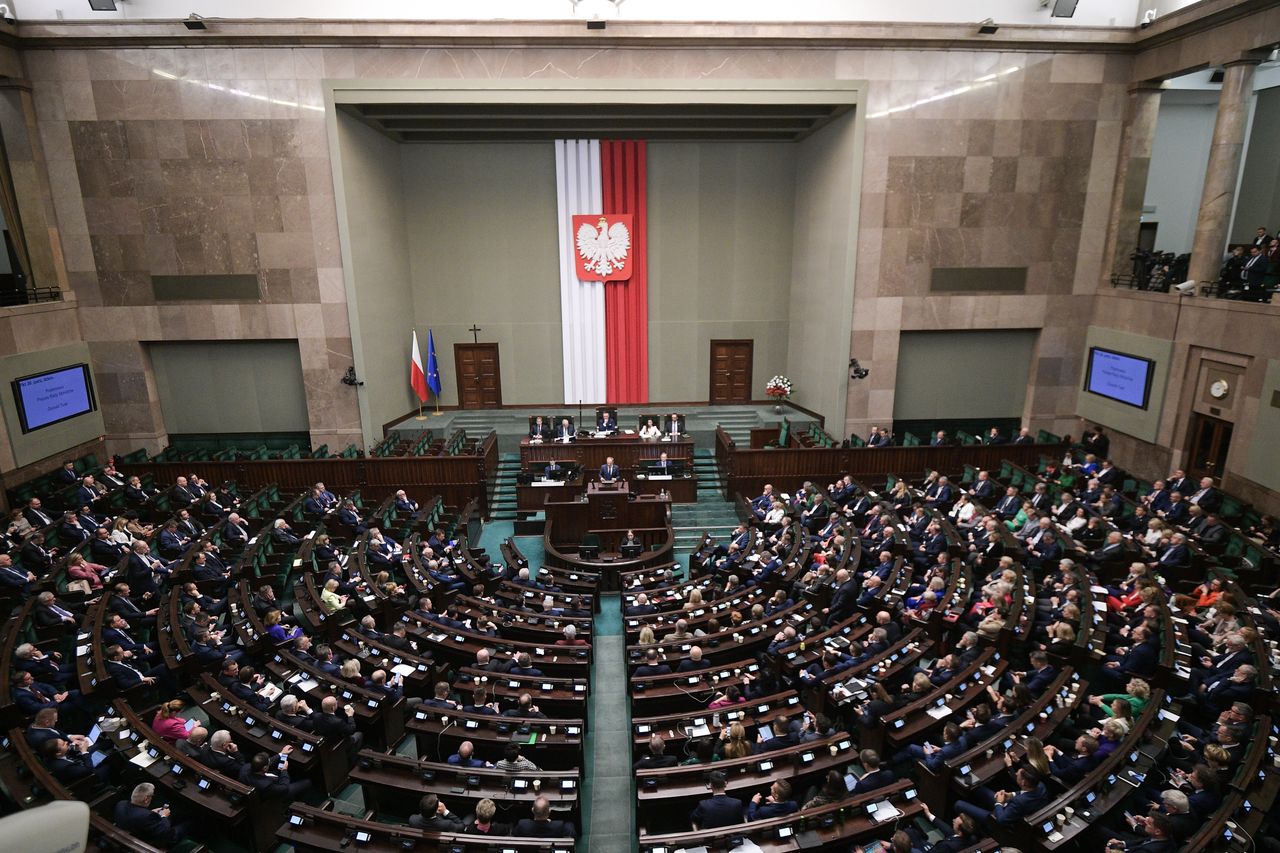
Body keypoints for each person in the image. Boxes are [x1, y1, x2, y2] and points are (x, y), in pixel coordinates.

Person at [114, 783, 185, 848]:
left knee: (175, 814)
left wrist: (150, 813)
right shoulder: (146, 816)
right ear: (146, 799)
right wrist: (164, 816)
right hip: (150, 841)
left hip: (132, 831)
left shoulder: (121, 804)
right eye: (152, 796)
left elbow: (140, 817)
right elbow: (164, 831)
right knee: (188, 823)